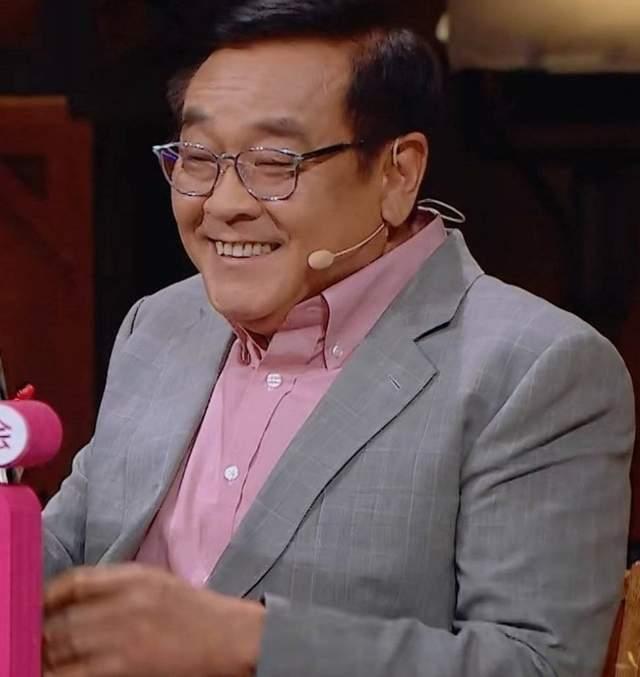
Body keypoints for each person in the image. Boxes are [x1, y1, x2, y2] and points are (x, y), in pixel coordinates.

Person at [41, 1, 635, 675]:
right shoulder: (161, 323)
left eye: (275, 162)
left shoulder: (535, 370)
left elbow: (534, 665)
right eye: (199, 158)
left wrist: (247, 642)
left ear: (397, 173)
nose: (224, 204)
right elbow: (65, 553)